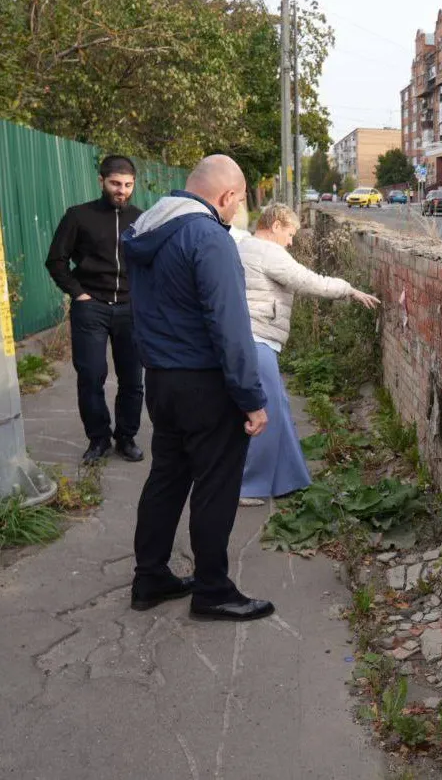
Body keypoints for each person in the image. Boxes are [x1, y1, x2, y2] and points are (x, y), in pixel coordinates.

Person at [121, 154, 273, 621]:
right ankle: (212, 590)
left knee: (167, 476)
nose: (237, 211)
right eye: (239, 201)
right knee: (215, 486)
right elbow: (230, 329)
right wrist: (251, 398)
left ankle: (150, 577)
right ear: (226, 196)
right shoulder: (208, 237)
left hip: (161, 380)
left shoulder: (147, 226)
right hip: (205, 384)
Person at [236, 203, 379, 504]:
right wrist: (348, 290)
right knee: (267, 411)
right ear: (275, 225)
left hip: (252, 337)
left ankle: (289, 477)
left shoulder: (245, 245)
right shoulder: (268, 252)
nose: (290, 242)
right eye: (289, 234)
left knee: (280, 406)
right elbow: (307, 280)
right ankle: (247, 485)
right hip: (257, 338)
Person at [45, 155, 145, 464]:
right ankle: (98, 439)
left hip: (130, 308)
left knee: (132, 378)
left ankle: (126, 438)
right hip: (92, 307)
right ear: (101, 181)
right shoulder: (78, 216)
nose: (122, 191)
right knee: (91, 375)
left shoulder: (142, 220)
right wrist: (77, 293)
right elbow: (56, 260)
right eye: (116, 183)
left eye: (128, 185)